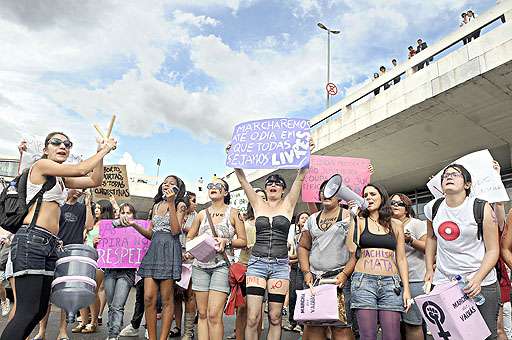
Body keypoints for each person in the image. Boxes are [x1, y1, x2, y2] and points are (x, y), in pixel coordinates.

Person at [0, 131, 116, 340]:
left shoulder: (60, 178)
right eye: (56, 142)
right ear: (45, 149)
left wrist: (101, 153)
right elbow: (81, 168)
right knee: (26, 310)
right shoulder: (41, 166)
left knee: (38, 310)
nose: (63, 146)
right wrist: (105, 149)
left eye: (67, 144)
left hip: (48, 244)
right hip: (32, 240)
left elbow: (95, 179)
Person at [232, 138, 313, 340]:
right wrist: (234, 157)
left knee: (276, 316)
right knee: (252, 317)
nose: (273, 185)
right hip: (257, 263)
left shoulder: (288, 205)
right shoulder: (258, 204)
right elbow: (242, 180)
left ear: (283, 189)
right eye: (270, 183)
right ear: (266, 189)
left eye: (278, 183)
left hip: (279, 265)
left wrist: (308, 151)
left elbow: (301, 176)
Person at [424, 164, 500, 339]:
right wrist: (429, 268)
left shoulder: (481, 208)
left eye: (455, 174)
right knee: (452, 335)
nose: (448, 177)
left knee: (485, 335)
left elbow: (493, 250)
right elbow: (431, 238)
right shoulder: (432, 208)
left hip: (481, 282)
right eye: (445, 175)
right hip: (445, 282)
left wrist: (478, 278)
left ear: (467, 184)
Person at [347, 183, 411, 340]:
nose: (368, 198)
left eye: (372, 194)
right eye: (365, 195)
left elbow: (401, 258)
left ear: (382, 198)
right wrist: (352, 218)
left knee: (392, 335)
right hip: (364, 282)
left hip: (391, 284)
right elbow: (350, 248)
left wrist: (407, 290)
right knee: (367, 335)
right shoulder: (360, 221)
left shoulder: (396, 224)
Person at [186, 177, 247, 340]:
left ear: (225, 192)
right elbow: (190, 236)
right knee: (203, 314)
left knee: (214, 314)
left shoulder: (234, 213)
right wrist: (190, 249)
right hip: (200, 266)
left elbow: (243, 241)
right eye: (210, 185)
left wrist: (226, 241)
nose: (213, 187)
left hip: (222, 266)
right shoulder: (201, 214)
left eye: (218, 185)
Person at [128, 175, 186, 340]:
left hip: (169, 251)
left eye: (171, 183)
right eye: (165, 182)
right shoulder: (155, 205)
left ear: (178, 189)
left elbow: (175, 230)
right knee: (148, 297)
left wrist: (171, 203)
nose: (166, 185)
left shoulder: (180, 205)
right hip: (154, 250)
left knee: (167, 299)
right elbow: (151, 234)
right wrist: (135, 225)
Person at [33, 188, 94, 340]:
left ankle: (62, 331)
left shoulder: (82, 208)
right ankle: (41, 331)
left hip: (72, 255)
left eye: (83, 189)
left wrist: (87, 203)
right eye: (78, 188)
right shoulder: (58, 205)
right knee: (47, 293)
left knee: (66, 293)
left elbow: (89, 225)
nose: (80, 191)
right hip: (53, 252)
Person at [298, 181, 356, 340]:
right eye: (323, 190)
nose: (326, 193)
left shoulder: (349, 216)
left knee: (341, 329)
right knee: (313, 328)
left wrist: (344, 274)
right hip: (314, 280)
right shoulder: (312, 219)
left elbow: (356, 252)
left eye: (332, 191)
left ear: (341, 197)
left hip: (339, 280)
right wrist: (306, 272)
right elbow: (303, 247)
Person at [390, 193, 426, 340]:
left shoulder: (416, 223)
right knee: (395, 325)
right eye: (392, 203)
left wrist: (410, 239)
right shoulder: (385, 226)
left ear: (407, 208)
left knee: (413, 323)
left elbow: (428, 248)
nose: (395, 206)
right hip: (392, 282)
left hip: (414, 280)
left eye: (399, 204)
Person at [73, 200, 112, 334]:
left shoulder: (107, 225)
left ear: (106, 210)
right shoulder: (91, 222)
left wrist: (100, 241)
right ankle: (83, 321)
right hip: (85, 257)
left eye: (100, 208)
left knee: (92, 290)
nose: (97, 210)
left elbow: (111, 243)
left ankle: (94, 321)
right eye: (96, 207)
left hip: (99, 259)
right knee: (82, 290)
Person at [103, 203, 139, 340]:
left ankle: (113, 335)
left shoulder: (137, 230)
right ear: (119, 214)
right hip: (110, 271)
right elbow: (101, 239)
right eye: (123, 212)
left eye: (129, 213)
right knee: (111, 305)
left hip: (126, 272)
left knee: (118, 306)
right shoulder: (109, 228)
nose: (125, 215)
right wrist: (96, 241)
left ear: (133, 215)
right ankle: (112, 329)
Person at [172, 191, 198, 340]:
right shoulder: (176, 212)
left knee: (189, 295)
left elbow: (200, 236)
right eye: (193, 200)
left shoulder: (198, 216)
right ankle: (177, 327)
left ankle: (189, 331)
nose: (195, 203)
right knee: (176, 294)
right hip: (175, 256)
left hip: (190, 258)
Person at [283, 211, 309, 333]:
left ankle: (301, 323)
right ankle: (292, 321)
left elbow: (307, 253)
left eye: (306, 218)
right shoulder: (292, 232)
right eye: (302, 217)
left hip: (305, 268)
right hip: (294, 267)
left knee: (301, 294)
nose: (304, 219)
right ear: (298, 221)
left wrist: (294, 259)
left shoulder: (311, 233)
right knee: (292, 295)